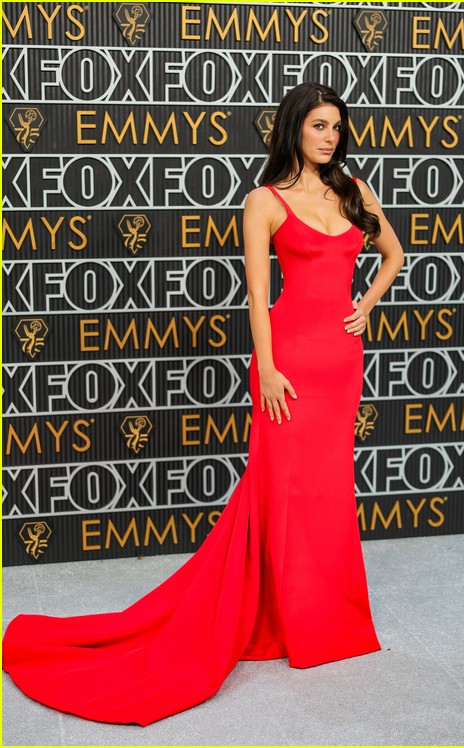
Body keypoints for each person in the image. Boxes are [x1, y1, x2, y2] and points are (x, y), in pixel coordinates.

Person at [2, 82, 404, 726]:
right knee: (280, 489)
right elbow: (256, 295)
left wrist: (367, 303)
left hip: (341, 364)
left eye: (337, 126)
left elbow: (394, 253)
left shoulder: (352, 190)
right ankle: (277, 619)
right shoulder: (263, 201)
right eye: (319, 126)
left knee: (327, 489)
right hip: (288, 363)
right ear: (293, 129)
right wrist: (266, 368)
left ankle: (327, 623)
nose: (330, 136)